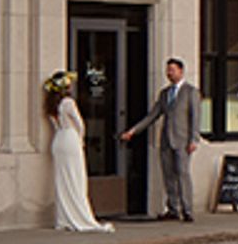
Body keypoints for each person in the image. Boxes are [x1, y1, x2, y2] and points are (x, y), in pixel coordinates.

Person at [122, 56, 200, 221]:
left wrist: (194, 139)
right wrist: (133, 131)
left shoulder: (190, 92)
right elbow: (153, 115)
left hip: (182, 140)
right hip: (166, 140)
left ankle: (187, 209)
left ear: (181, 71)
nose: (169, 74)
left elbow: (195, 117)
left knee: (183, 174)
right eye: (167, 70)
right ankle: (173, 208)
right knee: (168, 175)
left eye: (172, 70)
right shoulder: (165, 94)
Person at [43, 71, 114, 233]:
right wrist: (81, 139)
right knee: (76, 179)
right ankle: (79, 216)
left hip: (58, 139)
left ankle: (63, 218)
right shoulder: (68, 102)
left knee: (62, 180)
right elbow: (80, 124)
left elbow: (55, 125)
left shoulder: (51, 105)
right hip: (70, 138)